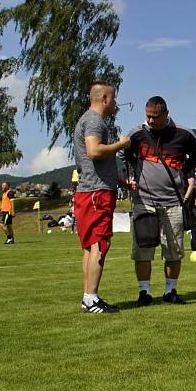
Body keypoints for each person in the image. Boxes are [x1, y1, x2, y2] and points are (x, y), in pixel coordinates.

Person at [126, 96, 196, 306]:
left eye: (154, 117)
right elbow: (125, 153)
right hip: (144, 201)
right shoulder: (137, 134)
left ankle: (170, 290)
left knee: (174, 249)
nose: (150, 121)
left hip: (172, 201)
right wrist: (132, 174)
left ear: (165, 114)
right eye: (147, 116)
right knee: (142, 249)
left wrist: (185, 171)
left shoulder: (184, 134)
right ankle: (144, 293)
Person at [71, 82, 130, 313]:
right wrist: (121, 144)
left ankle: (88, 297)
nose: (115, 103)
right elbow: (94, 151)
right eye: (113, 99)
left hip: (90, 191)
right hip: (97, 193)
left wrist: (121, 181)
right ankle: (91, 298)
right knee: (99, 243)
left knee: (89, 246)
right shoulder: (95, 121)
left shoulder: (88, 119)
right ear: (104, 98)